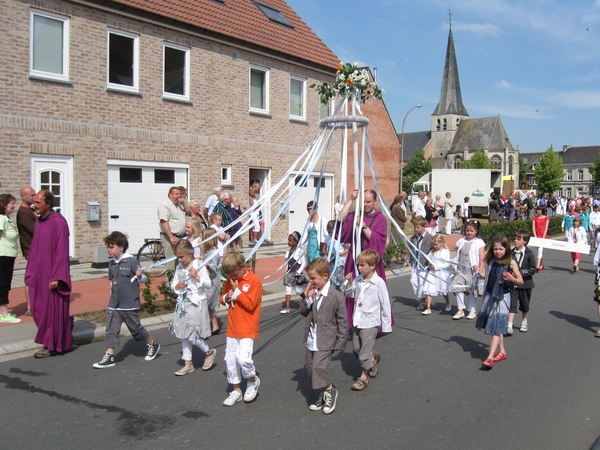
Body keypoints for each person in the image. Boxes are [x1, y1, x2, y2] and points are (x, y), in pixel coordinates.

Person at [93, 231, 160, 368]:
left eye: (112, 247)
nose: (109, 250)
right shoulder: (111, 264)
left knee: (136, 328)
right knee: (111, 329)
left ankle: (152, 344)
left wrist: (140, 276)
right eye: (108, 247)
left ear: (121, 247)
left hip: (128, 302)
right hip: (114, 302)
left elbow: (143, 279)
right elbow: (111, 281)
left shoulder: (131, 261)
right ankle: (110, 355)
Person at [26, 190, 73, 358]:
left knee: (51, 312)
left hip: (52, 276)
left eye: (38, 203)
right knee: (38, 308)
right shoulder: (39, 221)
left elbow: (61, 252)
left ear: (48, 204)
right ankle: (56, 339)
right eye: (34, 202)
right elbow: (34, 249)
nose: (35, 206)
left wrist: (57, 277)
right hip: (39, 274)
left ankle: (51, 345)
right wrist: (30, 271)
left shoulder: (58, 222)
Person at [338, 189, 393, 329]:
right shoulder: (355, 214)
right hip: (355, 260)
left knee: (372, 292)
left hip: (371, 262)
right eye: (364, 201)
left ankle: (374, 324)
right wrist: (351, 199)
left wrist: (363, 226)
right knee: (353, 290)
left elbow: (378, 240)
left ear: (375, 201)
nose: (366, 204)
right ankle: (352, 323)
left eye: (369, 201)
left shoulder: (380, 218)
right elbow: (340, 220)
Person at [299, 258, 347, 414]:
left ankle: (330, 390)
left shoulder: (336, 296)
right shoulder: (313, 293)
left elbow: (342, 321)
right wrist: (307, 299)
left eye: (313, 278)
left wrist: (340, 342)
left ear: (325, 276)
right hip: (312, 339)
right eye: (310, 278)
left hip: (327, 339)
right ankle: (322, 393)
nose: (310, 281)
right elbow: (303, 312)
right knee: (311, 368)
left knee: (319, 367)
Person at [344, 250, 392, 391]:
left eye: (362, 265)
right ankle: (372, 360)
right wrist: (349, 283)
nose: (359, 268)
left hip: (370, 322)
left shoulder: (378, 283)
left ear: (372, 266)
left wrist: (386, 325)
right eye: (358, 265)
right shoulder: (358, 280)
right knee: (356, 349)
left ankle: (363, 377)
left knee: (364, 351)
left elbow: (385, 303)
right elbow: (350, 293)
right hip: (358, 320)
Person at [220, 252, 263, 407]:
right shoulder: (232, 280)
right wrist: (227, 296)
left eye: (235, 274)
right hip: (233, 326)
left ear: (243, 267)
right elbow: (223, 297)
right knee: (230, 360)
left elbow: (251, 305)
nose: (233, 278)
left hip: (247, 326)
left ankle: (252, 380)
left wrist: (237, 292)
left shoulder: (254, 281)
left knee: (243, 358)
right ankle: (236, 390)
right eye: (229, 275)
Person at [170, 239, 217, 376]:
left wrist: (197, 277)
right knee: (183, 334)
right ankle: (188, 363)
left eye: (181, 257)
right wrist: (177, 286)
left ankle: (208, 351)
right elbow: (173, 284)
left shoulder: (199, 266)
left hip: (197, 303)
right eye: (177, 257)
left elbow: (208, 284)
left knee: (191, 335)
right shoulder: (179, 268)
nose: (179, 260)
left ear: (190, 254)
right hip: (184, 304)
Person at [476, 236, 523, 369]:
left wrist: (511, 278)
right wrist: (480, 273)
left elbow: (520, 281)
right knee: (497, 325)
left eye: (501, 249)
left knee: (495, 326)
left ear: (506, 249)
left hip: (503, 297)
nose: (498, 251)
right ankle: (501, 351)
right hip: (490, 296)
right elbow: (488, 277)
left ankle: (490, 357)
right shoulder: (491, 261)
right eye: (495, 249)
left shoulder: (511, 263)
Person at [450, 219, 486, 320]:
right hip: (462, 269)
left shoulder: (479, 242)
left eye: (471, 231)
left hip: (473, 270)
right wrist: (454, 267)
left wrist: (480, 269)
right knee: (457, 287)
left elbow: (482, 257)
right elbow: (458, 255)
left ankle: (472, 310)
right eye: (467, 230)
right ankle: (461, 309)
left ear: (476, 231)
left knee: (472, 290)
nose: (469, 233)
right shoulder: (461, 241)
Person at [507, 230, 537, 335]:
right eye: (515, 238)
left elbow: (533, 269)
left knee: (524, 304)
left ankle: (524, 320)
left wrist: (519, 273)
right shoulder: (510, 253)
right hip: (513, 284)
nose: (515, 241)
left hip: (525, 284)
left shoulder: (529, 254)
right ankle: (509, 324)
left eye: (518, 239)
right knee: (512, 304)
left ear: (525, 241)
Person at [0, 194, 20, 323]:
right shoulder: (1, 219)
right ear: (4, 204)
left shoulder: (7, 219)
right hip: (3, 256)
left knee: (4, 284)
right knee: (3, 284)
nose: (14, 206)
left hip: (8, 256)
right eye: (11, 203)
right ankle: (4, 314)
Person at [198, 228, 222, 335]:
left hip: (211, 283)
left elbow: (214, 268)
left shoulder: (213, 252)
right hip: (209, 281)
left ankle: (203, 328)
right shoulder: (208, 252)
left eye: (203, 238)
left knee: (204, 303)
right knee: (210, 305)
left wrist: (207, 265)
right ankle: (215, 326)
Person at [16, 186, 36, 316]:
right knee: (31, 277)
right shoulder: (23, 212)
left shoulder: (31, 210)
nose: (34, 197)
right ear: (24, 196)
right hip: (31, 249)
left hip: (35, 249)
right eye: (31, 195)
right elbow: (35, 230)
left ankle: (35, 303)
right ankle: (30, 306)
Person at [421, 233, 452, 315]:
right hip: (432, 274)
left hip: (441, 274)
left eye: (436, 244)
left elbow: (446, 264)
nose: (434, 246)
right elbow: (429, 260)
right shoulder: (432, 252)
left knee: (443, 291)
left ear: (442, 243)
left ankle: (448, 302)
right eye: (433, 244)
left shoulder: (445, 252)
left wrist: (437, 267)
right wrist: (429, 265)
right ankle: (428, 308)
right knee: (429, 290)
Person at [158, 186, 186, 272]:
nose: (179, 196)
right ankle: (169, 284)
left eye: (180, 194)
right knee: (171, 263)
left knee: (180, 262)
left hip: (181, 237)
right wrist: (171, 237)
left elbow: (189, 211)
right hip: (170, 237)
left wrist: (184, 204)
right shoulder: (165, 205)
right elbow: (164, 221)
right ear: (170, 195)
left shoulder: (179, 206)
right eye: (176, 194)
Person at [410, 216, 433, 311]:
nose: (416, 229)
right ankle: (422, 297)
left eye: (418, 227)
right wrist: (410, 259)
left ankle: (422, 302)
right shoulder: (414, 238)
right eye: (415, 227)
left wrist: (431, 262)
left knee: (422, 284)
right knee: (413, 281)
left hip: (424, 265)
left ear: (424, 226)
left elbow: (432, 251)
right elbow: (412, 249)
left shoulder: (430, 238)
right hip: (415, 264)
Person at [281, 231, 306, 314]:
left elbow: (303, 263)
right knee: (287, 290)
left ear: (295, 242)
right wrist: (285, 273)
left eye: (290, 240)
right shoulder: (288, 252)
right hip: (289, 274)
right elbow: (287, 264)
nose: (288, 242)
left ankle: (307, 300)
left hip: (296, 275)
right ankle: (288, 308)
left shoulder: (300, 252)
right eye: (288, 240)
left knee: (298, 290)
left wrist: (298, 272)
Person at [532, 206, 549, 270]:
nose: (538, 211)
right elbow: (533, 227)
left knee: (540, 250)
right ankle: (542, 265)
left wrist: (544, 237)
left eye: (539, 210)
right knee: (539, 250)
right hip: (537, 235)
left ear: (542, 211)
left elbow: (546, 228)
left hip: (543, 236)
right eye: (537, 210)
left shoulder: (546, 218)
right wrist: (535, 236)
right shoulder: (535, 218)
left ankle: (538, 265)